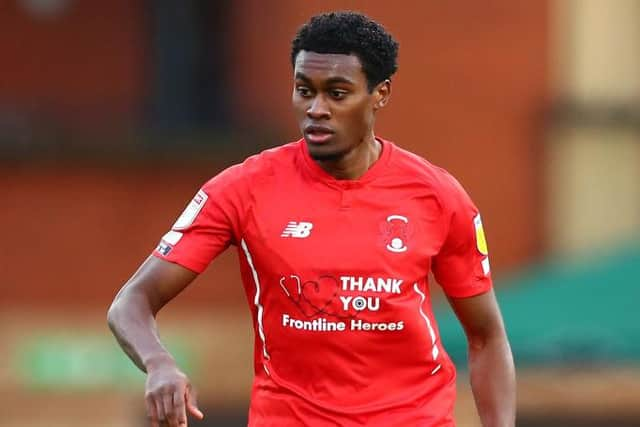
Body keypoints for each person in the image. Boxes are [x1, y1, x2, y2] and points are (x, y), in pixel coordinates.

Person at [108, 11, 515, 427]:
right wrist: (158, 363)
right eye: (305, 91)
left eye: (337, 94)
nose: (316, 109)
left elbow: (485, 336)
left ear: (380, 93)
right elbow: (131, 303)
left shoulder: (437, 196)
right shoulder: (242, 188)